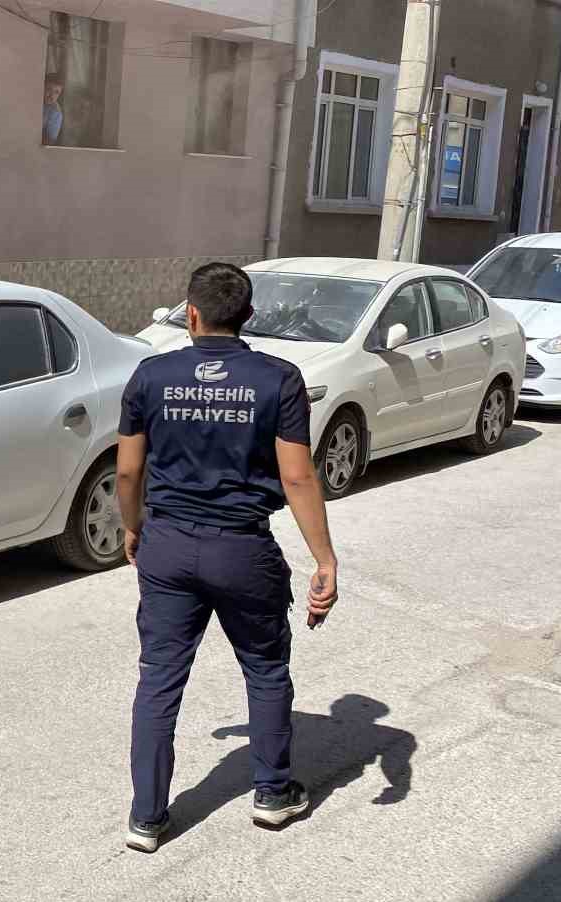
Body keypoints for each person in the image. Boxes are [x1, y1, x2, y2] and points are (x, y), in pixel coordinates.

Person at [114, 262, 339, 853]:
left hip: (166, 542)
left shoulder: (150, 375)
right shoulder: (278, 379)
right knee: (265, 669)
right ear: (247, 315)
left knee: (159, 678)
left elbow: (129, 469)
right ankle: (271, 794)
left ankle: (146, 816)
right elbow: (297, 476)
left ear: (190, 312)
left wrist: (132, 529)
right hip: (241, 546)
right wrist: (325, 560)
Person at [43, 77, 65, 145]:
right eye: (49, 89)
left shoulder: (56, 112)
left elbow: (50, 141)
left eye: (56, 92)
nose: (52, 95)